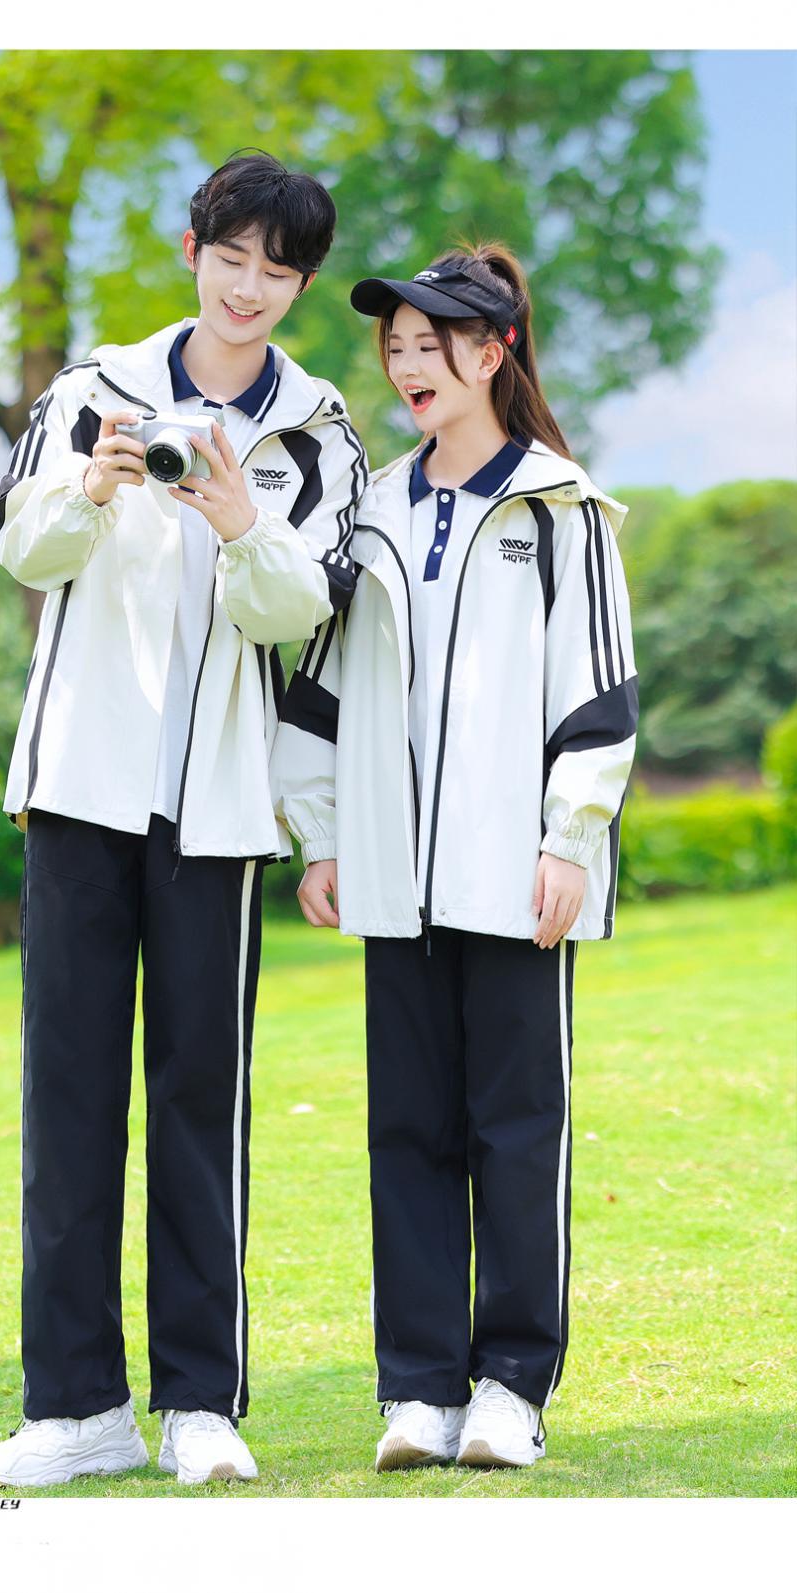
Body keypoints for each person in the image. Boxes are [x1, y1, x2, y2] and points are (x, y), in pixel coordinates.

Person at [0, 153, 366, 1489]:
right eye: (231, 257)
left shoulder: (319, 434)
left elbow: (299, 613)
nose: (249, 288)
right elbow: (20, 548)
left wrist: (240, 517)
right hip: (79, 790)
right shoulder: (89, 388)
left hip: (218, 810)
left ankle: (201, 1402)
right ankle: (74, 1408)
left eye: (278, 271)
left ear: (301, 285)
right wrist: (93, 487)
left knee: (200, 1102)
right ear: (192, 249)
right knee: (68, 1104)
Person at [271, 244, 637, 1473]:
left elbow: (599, 693)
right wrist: (323, 834)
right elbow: (319, 686)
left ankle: (512, 1389)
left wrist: (569, 838)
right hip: (392, 880)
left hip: (515, 875)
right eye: (396, 347)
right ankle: (421, 1392)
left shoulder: (561, 508)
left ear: (493, 352)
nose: (408, 365)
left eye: (431, 345)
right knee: (407, 1135)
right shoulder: (370, 511)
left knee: (518, 1132)